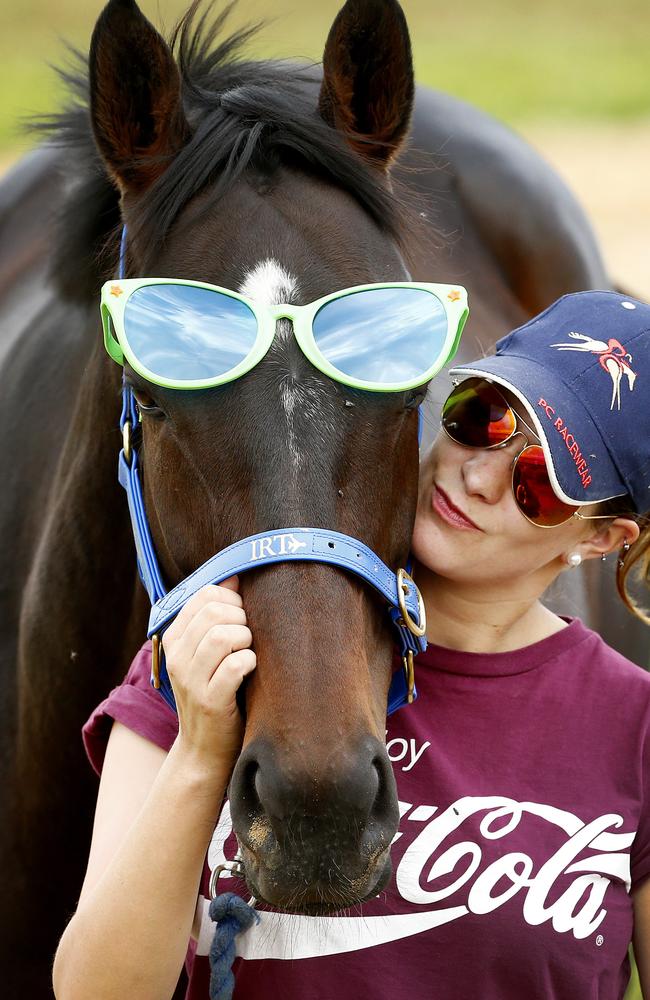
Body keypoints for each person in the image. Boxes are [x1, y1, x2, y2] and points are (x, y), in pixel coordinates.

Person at [53, 290, 650, 1000]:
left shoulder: (633, 728)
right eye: (482, 421)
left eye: (539, 483)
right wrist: (201, 750)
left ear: (599, 539)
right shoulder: (214, 649)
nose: (479, 475)